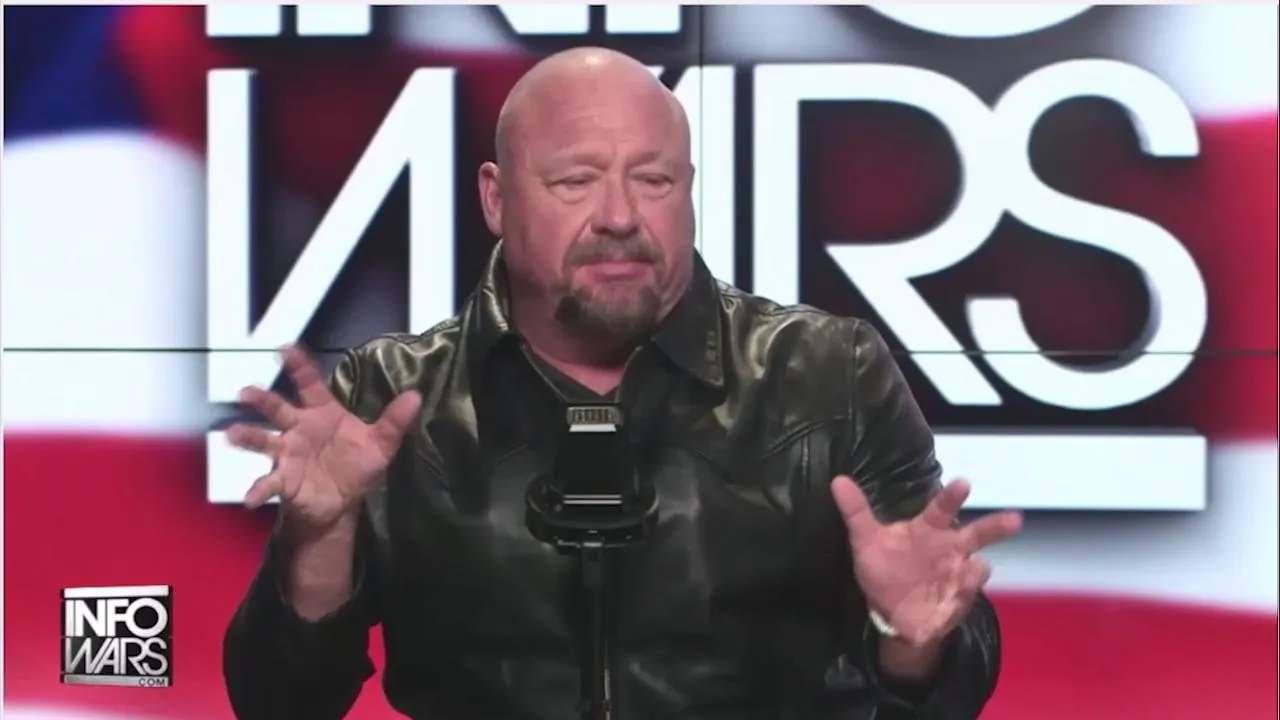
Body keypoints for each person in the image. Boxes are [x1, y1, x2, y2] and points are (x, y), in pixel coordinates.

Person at [222, 47, 1022, 720]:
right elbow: (278, 703)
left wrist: (910, 637)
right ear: (496, 199)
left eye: (654, 181)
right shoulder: (393, 397)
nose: (619, 216)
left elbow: (955, 685)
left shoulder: (825, 374)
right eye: (576, 181)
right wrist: (319, 541)